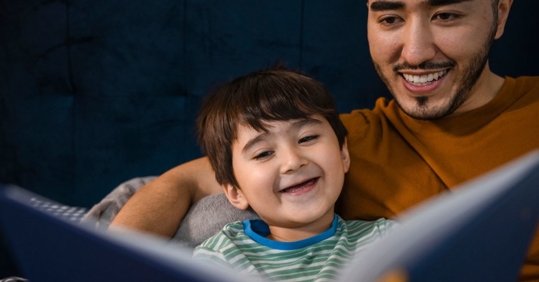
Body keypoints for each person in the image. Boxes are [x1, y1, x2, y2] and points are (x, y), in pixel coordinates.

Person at [111, 0, 539, 280]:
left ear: (500, 13)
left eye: (445, 15)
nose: (414, 53)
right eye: (390, 19)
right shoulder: (337, 139)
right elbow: (179, 182)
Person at [190, 66, 396, 281]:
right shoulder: (222, 258)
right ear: (235, 192)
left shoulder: (385, 241)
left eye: (307, 138)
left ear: (343, 154)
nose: (293, 161)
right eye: (264, 153)